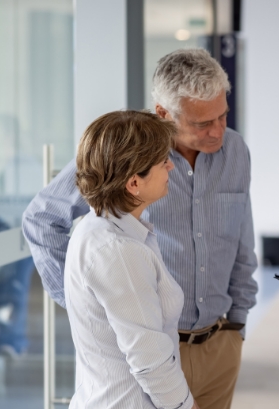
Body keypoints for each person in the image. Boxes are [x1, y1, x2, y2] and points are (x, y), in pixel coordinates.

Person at [22, 49, 257, 409]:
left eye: (223, 115)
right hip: (149, 354)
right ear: (164, 114)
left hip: (218, 345)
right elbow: (42, 219)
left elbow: (242, 238)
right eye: (201, 123)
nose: (218, 130)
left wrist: (237, 325)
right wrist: (85, 305)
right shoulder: (124, 151)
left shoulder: (236, 151)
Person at [66, 110, 196, 409]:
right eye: (162, 162)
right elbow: (149, 358)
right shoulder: (118, 251)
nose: (171, 166)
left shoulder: (99, 229)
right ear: (134, 183)